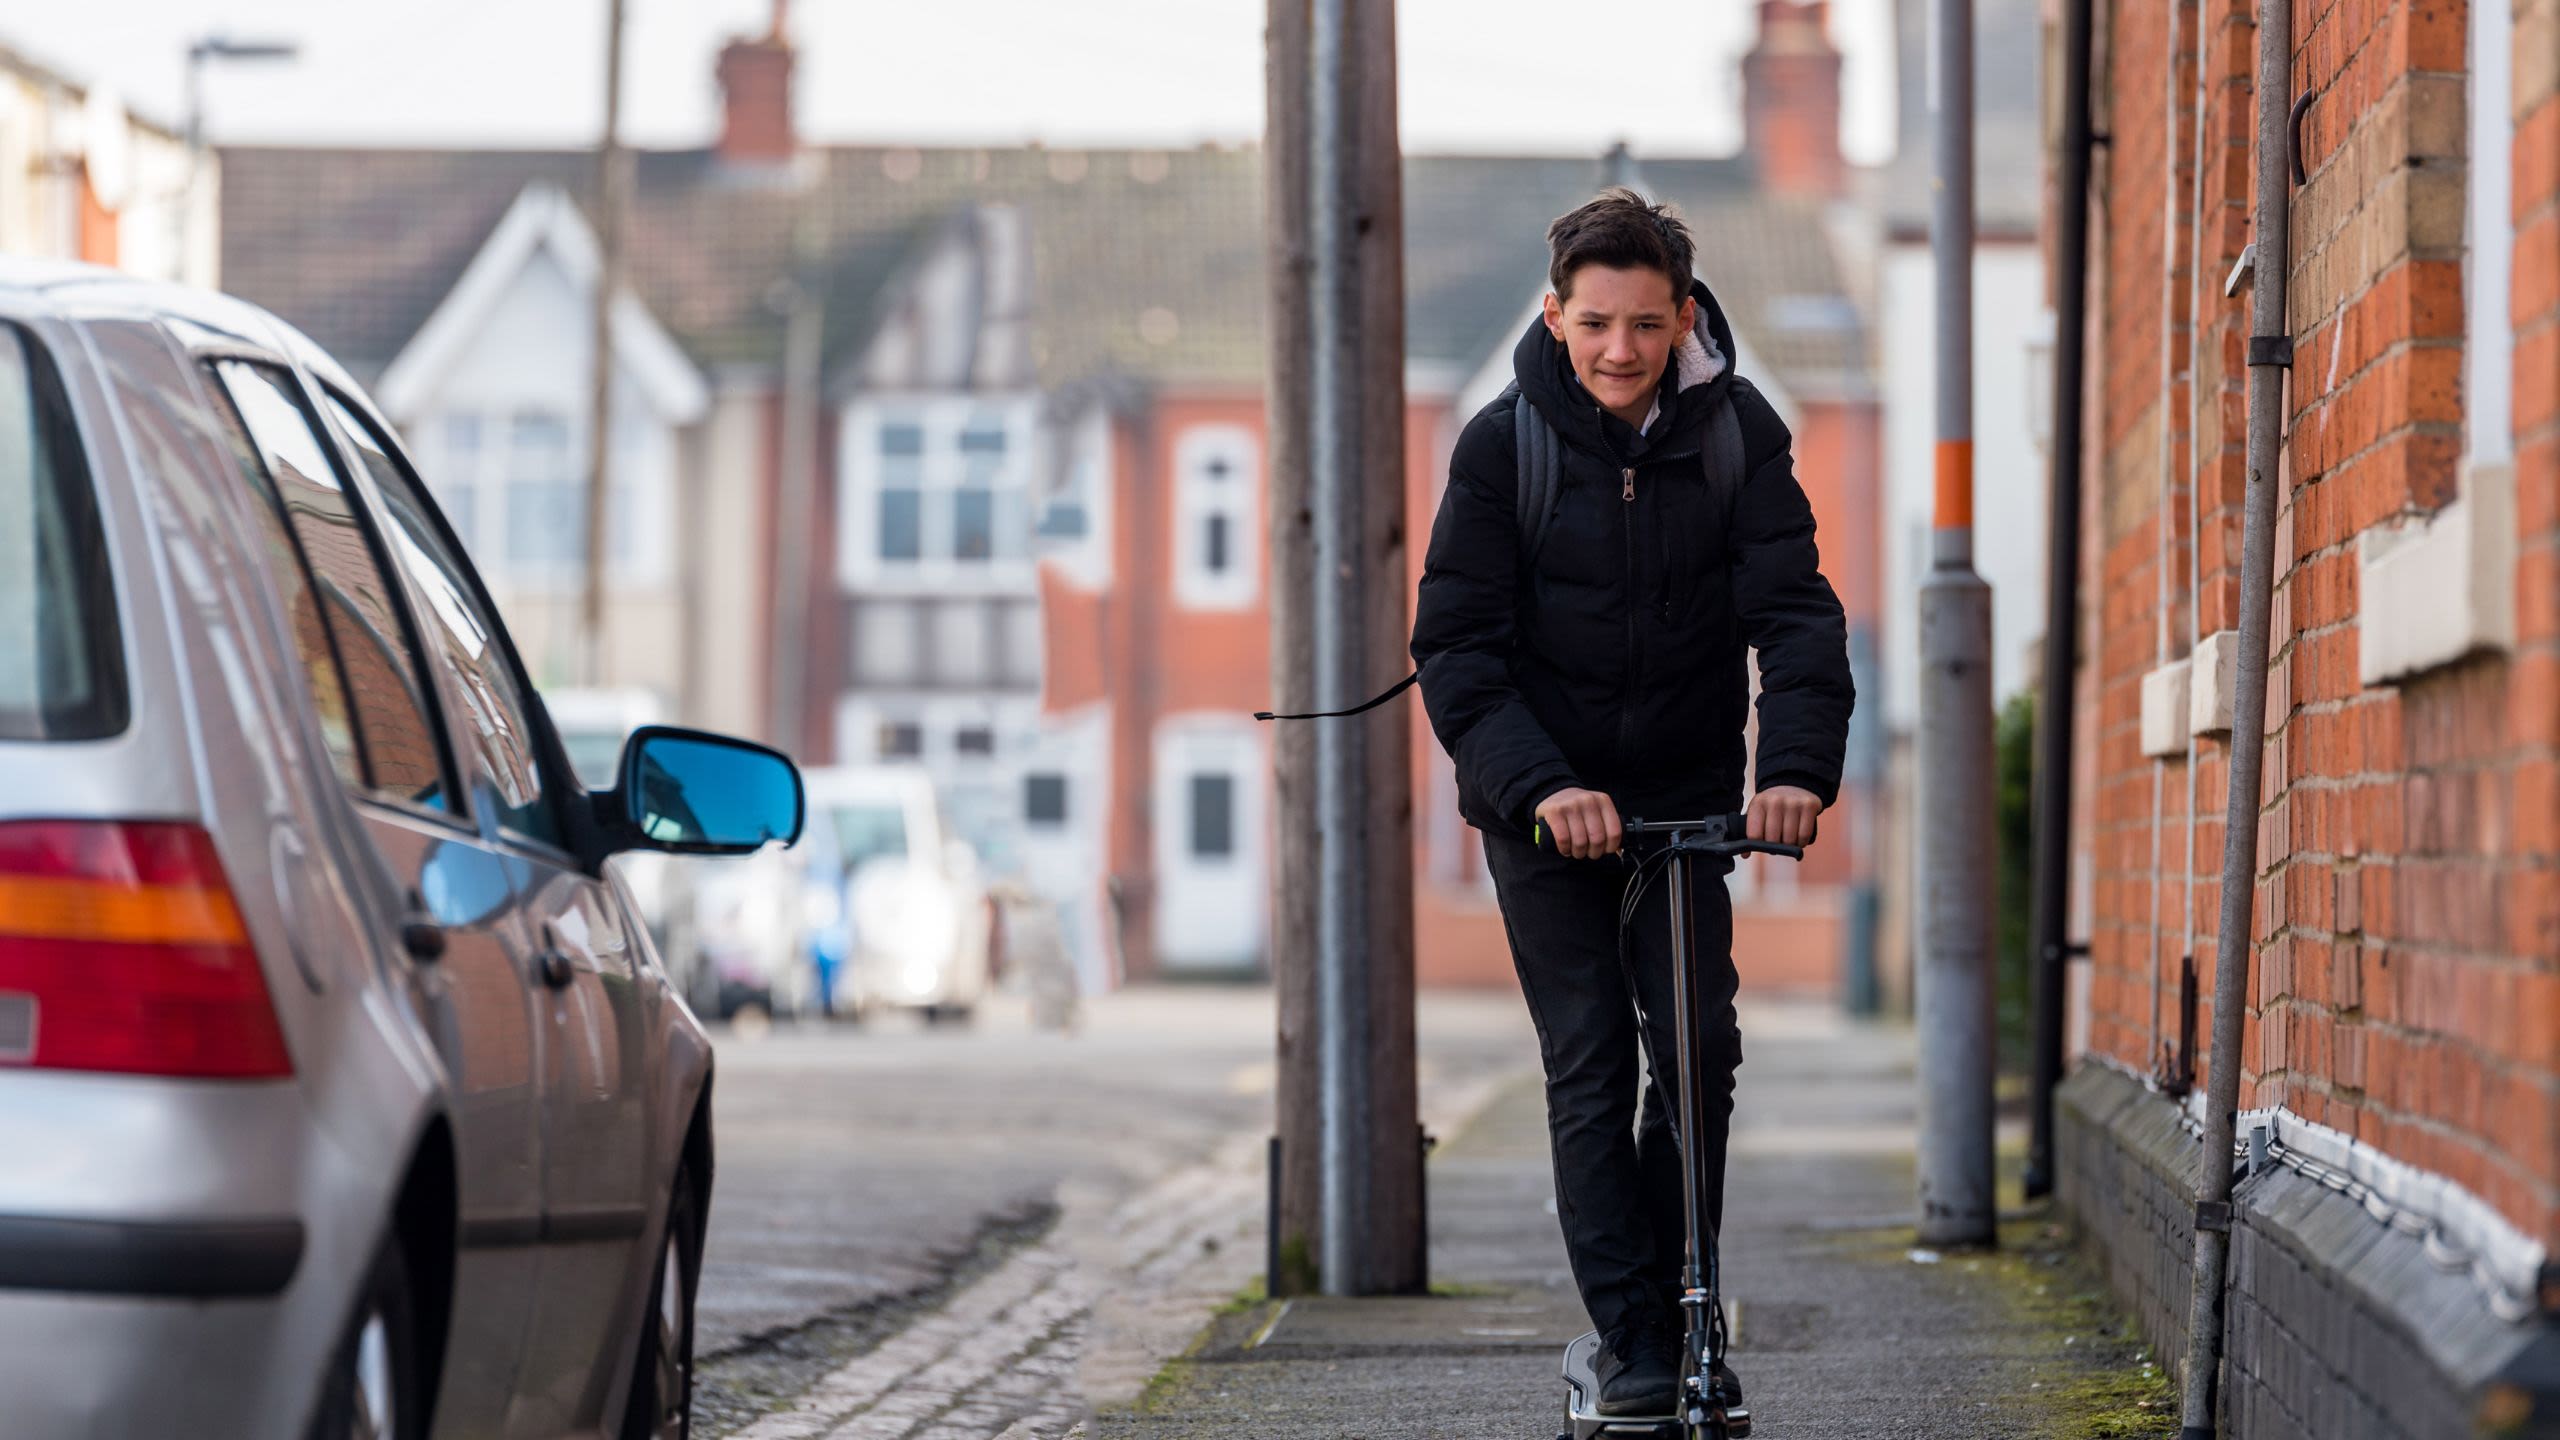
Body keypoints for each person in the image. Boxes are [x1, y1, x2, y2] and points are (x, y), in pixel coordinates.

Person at [1409, 188, 1854, 1418]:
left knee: (1698, 1051)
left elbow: (1796, 615)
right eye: (1596, 322)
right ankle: (1636, 1341)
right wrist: (1544, 783)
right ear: (1555, 316)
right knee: (1594, 1066)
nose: (1620, 350)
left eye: (1646, 325)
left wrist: (1795, 772)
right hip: (1545, 811)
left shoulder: (1736, 435)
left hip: (1681, 807)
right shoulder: (1502, 448)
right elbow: (1457, 650)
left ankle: (1677, 1299)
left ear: (1682, 317)